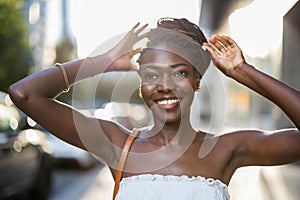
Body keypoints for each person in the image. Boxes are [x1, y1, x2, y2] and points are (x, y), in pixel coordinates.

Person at [9, 17, 300, 200]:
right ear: (140, 85)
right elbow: (24, 94)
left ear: (197, 81)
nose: (164, 85)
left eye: (180, 73)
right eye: (151, 75)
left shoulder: (227, 149)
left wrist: (244, 71)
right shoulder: (117, 145)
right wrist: (103, 62)